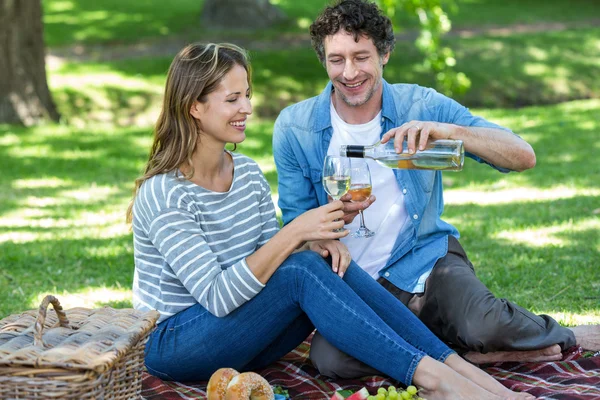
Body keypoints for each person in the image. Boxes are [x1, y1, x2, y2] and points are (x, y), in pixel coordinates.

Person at [127, 42, 534, 400]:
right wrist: (297, 233)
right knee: (303, 266)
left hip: (244, 336)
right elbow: (217, 295)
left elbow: (273, 262)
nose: (248, 108)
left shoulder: (246, 172)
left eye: (247, 95)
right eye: (233, 99)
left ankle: (457, 370)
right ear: (194, 107)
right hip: (177, 344)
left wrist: (316, 237)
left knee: (322, 261)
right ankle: (435, 379)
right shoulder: (165, 193)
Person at [272, 0, 600, 380]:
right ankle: (466, 357)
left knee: (485, 326)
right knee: (332, 361)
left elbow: (521, 155)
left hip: (426, 263)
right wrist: (322, 236)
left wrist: (451, 132)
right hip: (355, 284)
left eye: (361, 57)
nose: (349, 72)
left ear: (385, 53)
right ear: (323, 61)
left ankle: (557, 336)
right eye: (336, 60)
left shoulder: (420, 103)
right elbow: (296, 225)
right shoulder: (294, 127)